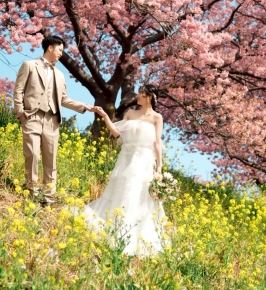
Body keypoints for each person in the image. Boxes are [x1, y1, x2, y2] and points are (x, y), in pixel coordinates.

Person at [13, 35, 99, 205]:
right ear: (50, 48)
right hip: (32, 117)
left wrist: (84, 106)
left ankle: (48, 198)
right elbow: (18, 90)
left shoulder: (60, 75)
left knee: (50, 160)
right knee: (32, 155)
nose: (61, 54)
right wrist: (20, 113)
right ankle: (32, 192)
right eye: (60, 50)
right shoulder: (29, 65)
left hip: (52, 120)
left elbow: (64, 99)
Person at [85, 85, 168, 256]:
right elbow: (116, 132)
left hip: (144, 160)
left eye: (142, 93)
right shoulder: (130, 112)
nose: (138, 95)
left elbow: (157, 143)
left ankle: (129, 236)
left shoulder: (156, 118)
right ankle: (114, 227)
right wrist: (105, 116)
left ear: (149, 97)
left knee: (135, 192)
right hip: (125, 158)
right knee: (120, 189)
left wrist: (159, 167)